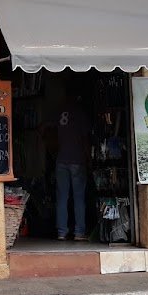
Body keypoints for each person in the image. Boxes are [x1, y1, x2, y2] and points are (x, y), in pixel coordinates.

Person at [53, 87, 90, 241]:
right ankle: (79, 232)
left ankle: (61, 232)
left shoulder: (60, 112)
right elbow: (86, 138)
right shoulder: (80, 114)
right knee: (79, 198)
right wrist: (88, 158)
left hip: (61, 159)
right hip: (77, 160)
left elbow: (51, 132)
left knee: (62, 198)